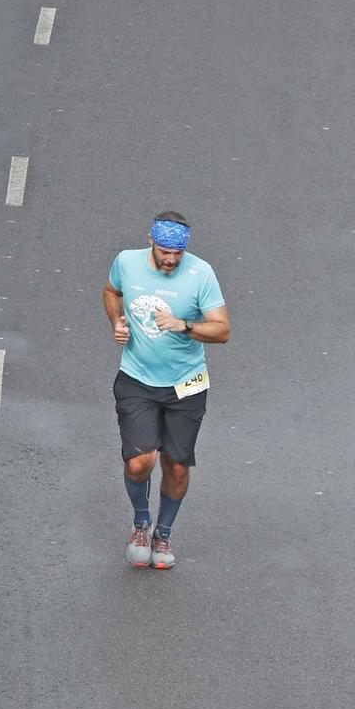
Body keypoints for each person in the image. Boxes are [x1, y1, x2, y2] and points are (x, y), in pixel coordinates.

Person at [103, 213, 230, 571]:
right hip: (137, 379)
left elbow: (222, 330)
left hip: (186, 386)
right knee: (140, 461)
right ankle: (141, 524)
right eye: (164, 252)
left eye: (178, 252)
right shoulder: (126, 262)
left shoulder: (201, 274)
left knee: (175, 465)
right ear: (151, 242)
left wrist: (184, 325)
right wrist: (116, 320)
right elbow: (112, 291)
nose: (171, 259)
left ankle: (164, 533)